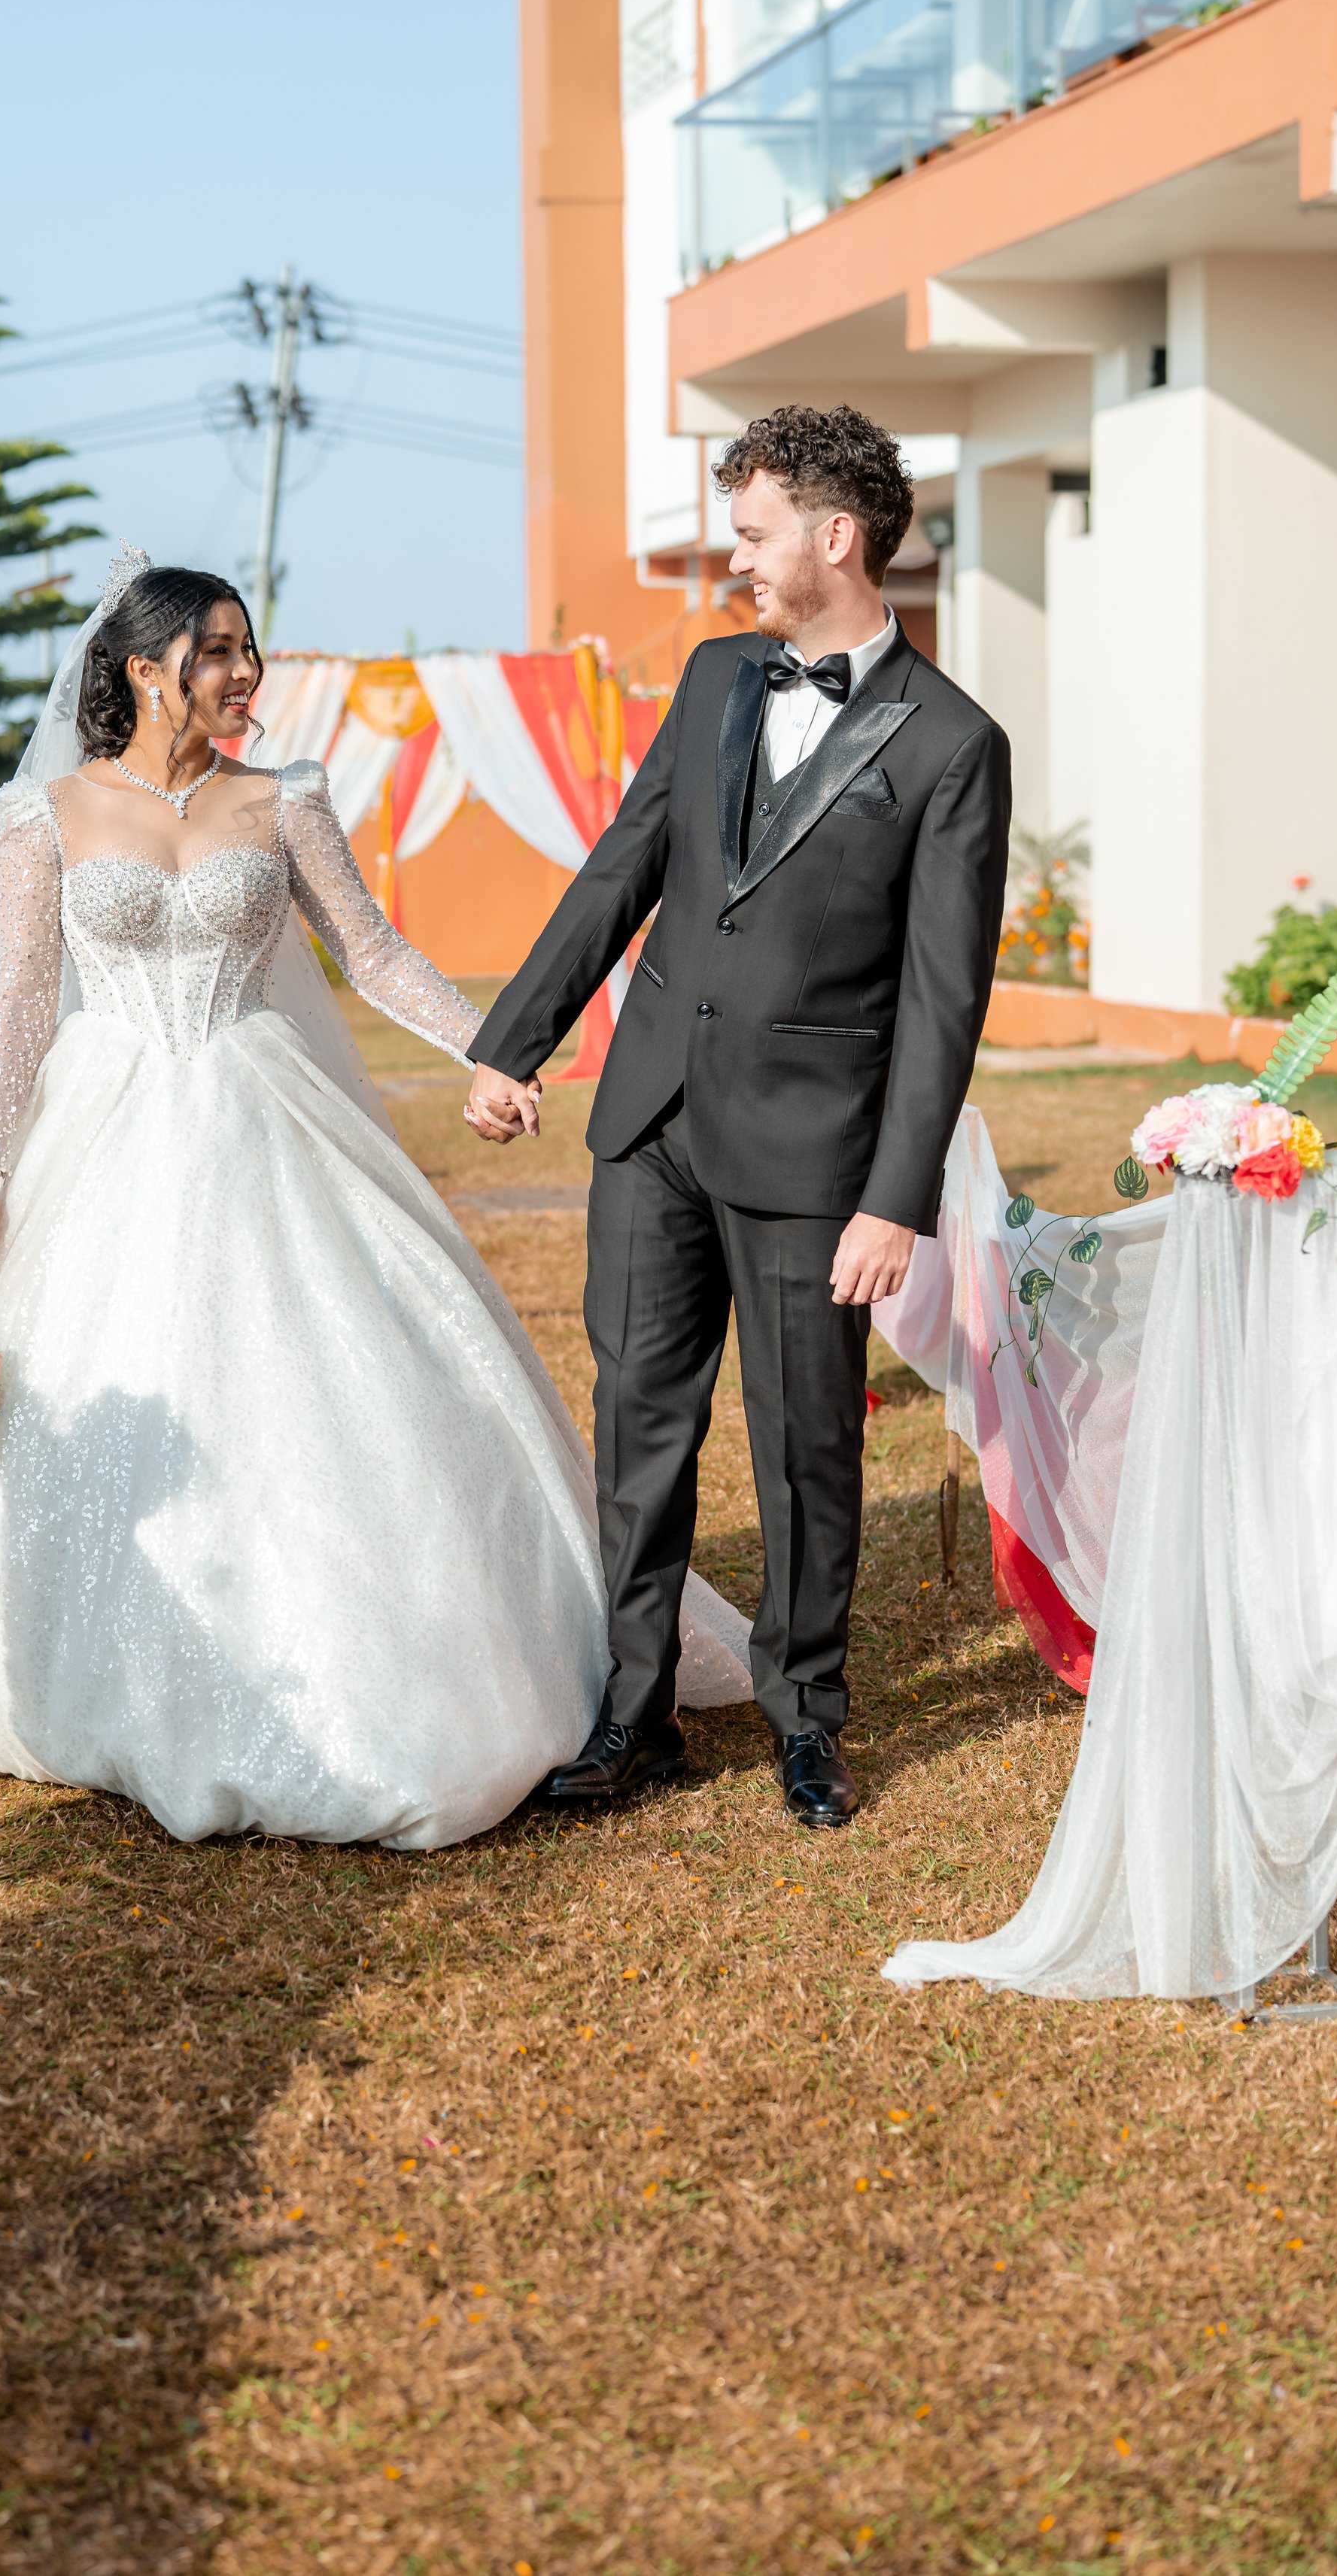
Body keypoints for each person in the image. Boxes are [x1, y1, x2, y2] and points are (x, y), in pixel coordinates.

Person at [0, 554, 750, 1849]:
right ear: (145, 667)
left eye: (248, 648)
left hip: (261, 1110)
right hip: (101, 1126)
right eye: (216, 650)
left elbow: (370, 953)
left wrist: (495, 1049)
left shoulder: (285, 800)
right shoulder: (43, 816)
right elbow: (24, 1006)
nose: (244, 672)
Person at [468, 406, 1011, 1828]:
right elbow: (621, 868)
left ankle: (808, 1717)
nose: (735, 560)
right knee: (639, 1422)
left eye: (755, 532)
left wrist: (896, 1197)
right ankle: (630, 1707)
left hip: (814, 1154)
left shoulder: (956, 744)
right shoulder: (714, 680)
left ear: (836, 537)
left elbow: (945, 999)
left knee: (806, 1440)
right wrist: (515, 1041)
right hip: (648, 1119)